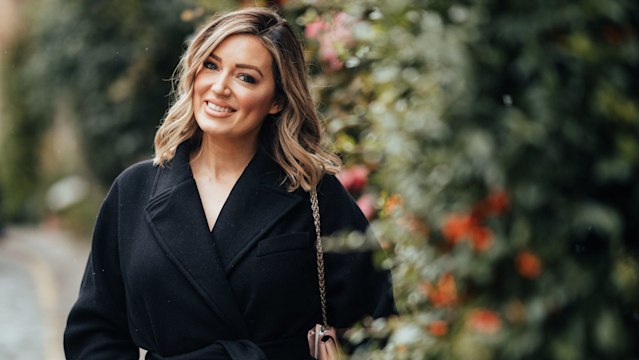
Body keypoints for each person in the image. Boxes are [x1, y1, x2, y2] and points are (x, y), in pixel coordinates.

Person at [64, 7, 395, 360]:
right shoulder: (135, 190)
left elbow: (374, 327)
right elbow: (96, 330)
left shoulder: (315, 194)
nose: (219, 87)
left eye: (246, 78)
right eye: (211, 65)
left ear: (277, 100)